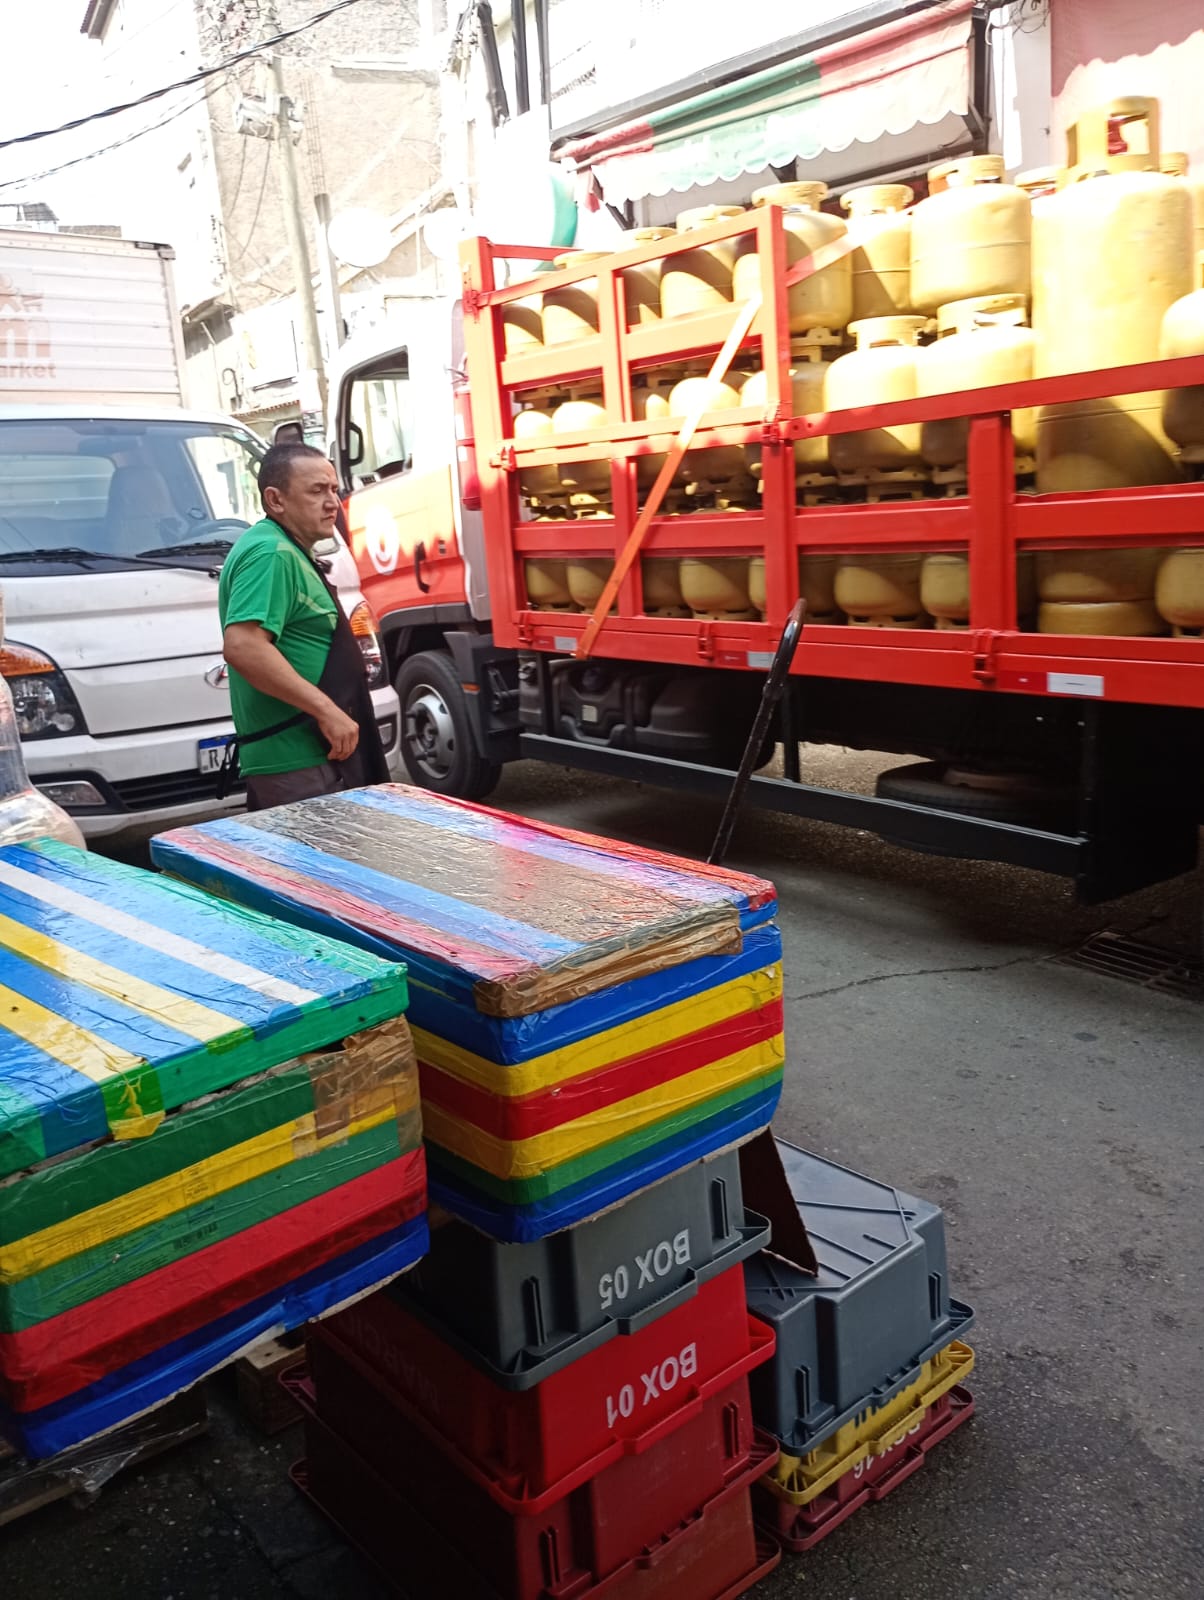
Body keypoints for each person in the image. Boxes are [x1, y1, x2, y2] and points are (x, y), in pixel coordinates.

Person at [218, 441, 389, 811]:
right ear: (275, 500)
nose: (332, 503)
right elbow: (243, 646)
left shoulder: (288, 549)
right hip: (299, 760)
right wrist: (326, 711)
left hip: (314, 757)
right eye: (317, 491)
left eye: (334, 489)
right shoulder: (271, 553)